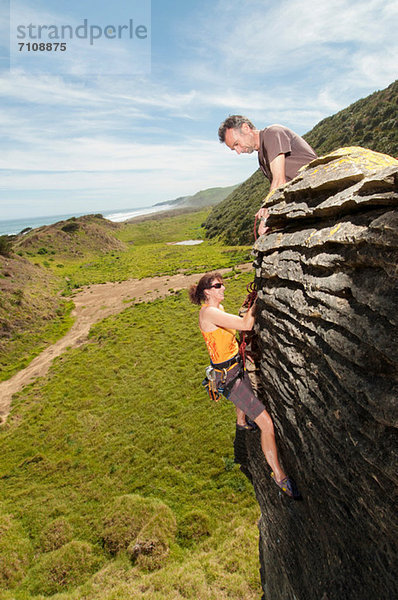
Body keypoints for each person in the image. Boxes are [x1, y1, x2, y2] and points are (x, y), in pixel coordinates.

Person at [189, 271, 300, 499]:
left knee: (246, 404)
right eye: (218, 286)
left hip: (232, 369)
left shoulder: (216, 310)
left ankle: (242, 421)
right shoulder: (209, 313)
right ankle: (279, 476)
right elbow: (246, 325)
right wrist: (259, 297)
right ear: (207, 292)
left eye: (222, 284)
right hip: (230, 378)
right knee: (267, 424)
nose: (223, 289)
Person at [218, 115, 317, 235]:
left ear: (245, 128)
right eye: (234, 149)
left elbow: (279, 180)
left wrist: (266, 215)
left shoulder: (273, 133)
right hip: (303, 199)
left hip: (314, 192)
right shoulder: (261, 156)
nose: (238, 151)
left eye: (237, 144)